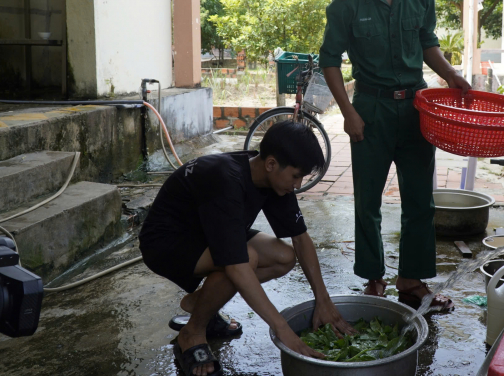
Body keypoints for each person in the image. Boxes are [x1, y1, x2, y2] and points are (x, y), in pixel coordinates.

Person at [319, 0, 471, 312]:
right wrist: (348, 112)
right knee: (368, 199)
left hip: (417, 108)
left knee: (420, 199)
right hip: (369, 110)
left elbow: (427, 43)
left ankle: (412, 279)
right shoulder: (346, 4)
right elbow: (330, 61)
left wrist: (451, 75)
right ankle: (374, 278)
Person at [139, 121, 355, 376]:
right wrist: (282, 329)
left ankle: (202, 303)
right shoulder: (225, 178)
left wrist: (324, 300)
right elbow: (236, 264)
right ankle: (193, 332)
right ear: (272, 164)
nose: (297, 185)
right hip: (166, 242)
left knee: (284, 257)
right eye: (296, 176)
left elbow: (300, 238)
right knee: (245, 260)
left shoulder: (270, 177)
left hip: (208, 233)